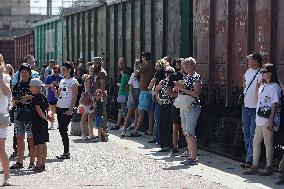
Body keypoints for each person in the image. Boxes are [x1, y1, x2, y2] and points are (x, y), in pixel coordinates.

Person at [244, 63, 281, 176]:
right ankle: (254, 165)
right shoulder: (263, 86)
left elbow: (275, 103)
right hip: (260, 119)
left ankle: (268, 167)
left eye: (263, 72)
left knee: (268, 143)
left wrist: (271, 119)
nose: (262, 74)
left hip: (267, 119)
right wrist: (256, 89)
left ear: (270, 73)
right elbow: (257, 101)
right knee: (256, 142)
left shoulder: (274, 86)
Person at [174, 57, 202, 165]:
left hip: (192, 106)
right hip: (185, 106)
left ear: (192, 66)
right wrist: (178, 88)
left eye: (186, 65)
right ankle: (190, 154)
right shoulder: (187, 77)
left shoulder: (196, 77)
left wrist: (182, 89)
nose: (184, 67)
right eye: (183, 66)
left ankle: (193, 158)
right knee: (185, 131)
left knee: (190, 132)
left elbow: (196, 93)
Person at [10, 63, 36, 169]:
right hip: (19, 113)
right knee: (19, 138)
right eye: (22, 72)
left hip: (30, 114)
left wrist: (29, 97)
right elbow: (14, 98)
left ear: (29, 73)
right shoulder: (17, 85)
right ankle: (20, 161)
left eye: (25, 72)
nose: (24, 74)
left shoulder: (33, 85)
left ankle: (32, 162)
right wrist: (15, 101)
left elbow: (38, 97)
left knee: (31, 138)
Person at [241, 52, 263, 168]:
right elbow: (244, 85)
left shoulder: (262, 73)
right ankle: (248, 157)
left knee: (253, 134)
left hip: (256, 108)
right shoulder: (248, 72)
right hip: (246, 106)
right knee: (246, 133)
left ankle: (250, 160)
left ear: (255, 61)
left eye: (249, 60)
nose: (247, 61)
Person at [55, 62, 78, 159]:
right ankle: (65, 151)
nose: (62, 71)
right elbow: (59, 95)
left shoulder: (73, 82)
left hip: (67, 108)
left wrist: (70, 110)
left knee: (63, 129)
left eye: (64, 69)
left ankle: (66, 152)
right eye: (61, 70)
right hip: (60, 107)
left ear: (69, 69)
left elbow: (74, 97)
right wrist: (55, 91)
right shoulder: (62, 81)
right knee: (61, 129)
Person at [29, 78, 53, 172]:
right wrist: (49, 116)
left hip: (38, 123)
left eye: (31, 86)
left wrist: (45, 117)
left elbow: (39, 111)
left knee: (39, 144)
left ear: (36, 87)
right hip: (43, 124)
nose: (30, 88)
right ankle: (43, 163)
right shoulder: (43, 96)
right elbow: (48, 108)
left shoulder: (36, 98)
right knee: (43, 143)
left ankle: (38, 164)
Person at [130, 52, 155, 137]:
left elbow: (136, 74)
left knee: (140, 112)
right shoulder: (151, 66)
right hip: (150, 90)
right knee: (150, 112)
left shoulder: (146, 65)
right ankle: (150, 130)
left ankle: (136, 130)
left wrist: (136, 66)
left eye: (143, 58)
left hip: (144, 91)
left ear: (144, 58)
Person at [167, 58, 186, 156]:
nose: (184, 67)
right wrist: (180, 95)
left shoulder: (190, 76)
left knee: (186, 127)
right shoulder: (174, 76)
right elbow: (169, 92)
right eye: (182, 65)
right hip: (177, 104)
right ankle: (175, 147)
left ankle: (188, 147)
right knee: (176, 126)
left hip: (187, 104)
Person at [155, 66, 175, 152]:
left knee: (165, 124)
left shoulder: (164, 82)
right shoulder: (164, 82)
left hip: (166, 104)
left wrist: (158, 99)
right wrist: (158, 99)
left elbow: (155, 90)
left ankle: (166, 144)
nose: (167, 74)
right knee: (166, 124)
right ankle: (167, 144)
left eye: (168, 73)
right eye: (166, 73)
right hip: (167, 104)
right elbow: (155, 90)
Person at [120, 59, 140, 137]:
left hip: (138, 92)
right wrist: (132, 96)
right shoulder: (133, 75)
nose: (138, 66)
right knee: (129, 112)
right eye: (136, 64)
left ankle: (135, 129)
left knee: (137, 113)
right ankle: (124, 129)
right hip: (133, 93)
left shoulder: (140, 74)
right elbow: (130, 86)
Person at [110, 58, 130, 130]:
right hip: (120, 92)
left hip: (124, 93)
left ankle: (124, 124)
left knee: (123, 109)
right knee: (121, 109)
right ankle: (119, 124)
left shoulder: (127, 71)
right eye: (120, 63)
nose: (121, 64)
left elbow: (129, 84)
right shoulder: (121, 72)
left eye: (122, 63)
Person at [0, 54, 11, 186]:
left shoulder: (5, 77)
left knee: (1, 149)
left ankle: (6, 176)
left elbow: (6, 92)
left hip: (1, 116)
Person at [78, 66, 96, 140]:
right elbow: (88, 90)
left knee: (90, 118)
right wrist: (92, 98)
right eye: (91, 70)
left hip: (91, 100)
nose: (92, 72)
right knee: (84, 117)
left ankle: (90, 134)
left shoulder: (94, 78)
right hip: (85, 100)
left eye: (93, 71)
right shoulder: (88, 78)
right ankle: (83, 134)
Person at [92, 57, 108, 137]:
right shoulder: (95, 71)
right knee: (97, 114)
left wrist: (99, 96)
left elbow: (102, 85)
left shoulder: (101, 72)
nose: (95, 64)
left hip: (100, 96)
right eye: (94, 63)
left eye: (97, 63)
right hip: (96, 95)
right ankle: (100, 133)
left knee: (102, 114)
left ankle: (104, 132)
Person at [45, 65, 63, 129]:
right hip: (51, 97)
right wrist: (51, 84)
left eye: (57, 72)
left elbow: (64, 87)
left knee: (58, 111)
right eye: (55, 71)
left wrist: (59, 85)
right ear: (53, 71)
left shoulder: (61, 78)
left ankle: (59, 124)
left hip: (59, 97)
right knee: (52, 111)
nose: (56, 73)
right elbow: (45, 86)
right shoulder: (49, 77)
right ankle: (52, 124)